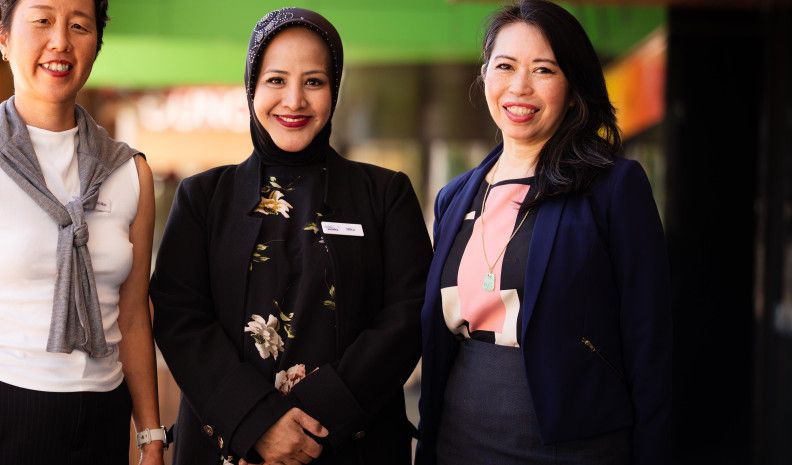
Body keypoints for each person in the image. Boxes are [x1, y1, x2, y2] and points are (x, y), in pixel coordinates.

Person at [150, 7, 432, 465]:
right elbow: (180, 318)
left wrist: (311, 419)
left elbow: (407, 316)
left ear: (334, 89)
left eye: (314, 81)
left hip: (349, 445)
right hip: (231, 446)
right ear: (252, 88)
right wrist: (256, 422)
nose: (294, 100)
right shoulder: (203, 197)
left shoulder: (385, 194)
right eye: (276, 80)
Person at [416, 1, 671, 464]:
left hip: (573, 444)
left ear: (573, 88)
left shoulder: (613, 187)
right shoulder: (455, 198)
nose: (520, 87)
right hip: (460, 437)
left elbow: (649, 337)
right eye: (505, 66)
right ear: (484, 75)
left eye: (544, 70)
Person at [0, 1, 164, 464]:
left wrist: (150, 437)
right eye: (42, 21)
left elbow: (133, 318)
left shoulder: (129, 172)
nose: (60, 41)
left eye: (79, 26)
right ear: (4, 39)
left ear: (96, 46)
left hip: (103, 419)